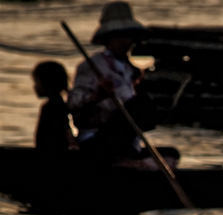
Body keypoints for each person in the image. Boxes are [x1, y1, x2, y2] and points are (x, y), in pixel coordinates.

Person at [67, 1, 168, 166]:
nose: (124, 42)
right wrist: (96, 97)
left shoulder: (131, 70)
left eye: (128, 36)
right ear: (107, 38)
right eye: (118, 36)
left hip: (126, 142)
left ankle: (130, 161)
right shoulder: (91, 66)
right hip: (97, 140)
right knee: (139, 105)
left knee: (170, 153)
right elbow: (72, 104)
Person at [31, 61, 78, 153]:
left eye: (36, 82)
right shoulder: (59, 104)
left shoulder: (52, 106)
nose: (34, 86)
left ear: (47, 83)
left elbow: (52, 136)